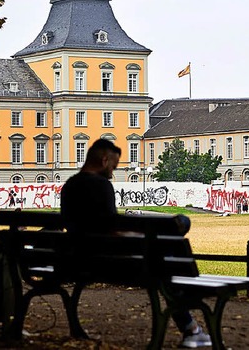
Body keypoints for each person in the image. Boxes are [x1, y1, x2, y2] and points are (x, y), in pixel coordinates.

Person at [60, 139, 211, 348]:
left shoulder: (70, 186)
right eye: (113, 166)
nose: (113, 173)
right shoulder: (101, 185)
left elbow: (93, 227)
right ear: (104, 161)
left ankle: (191, 328)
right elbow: (111, 229)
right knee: (178, 227)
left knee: (161, 257)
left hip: (79, 260)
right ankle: (191, 328)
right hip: (115, 264)